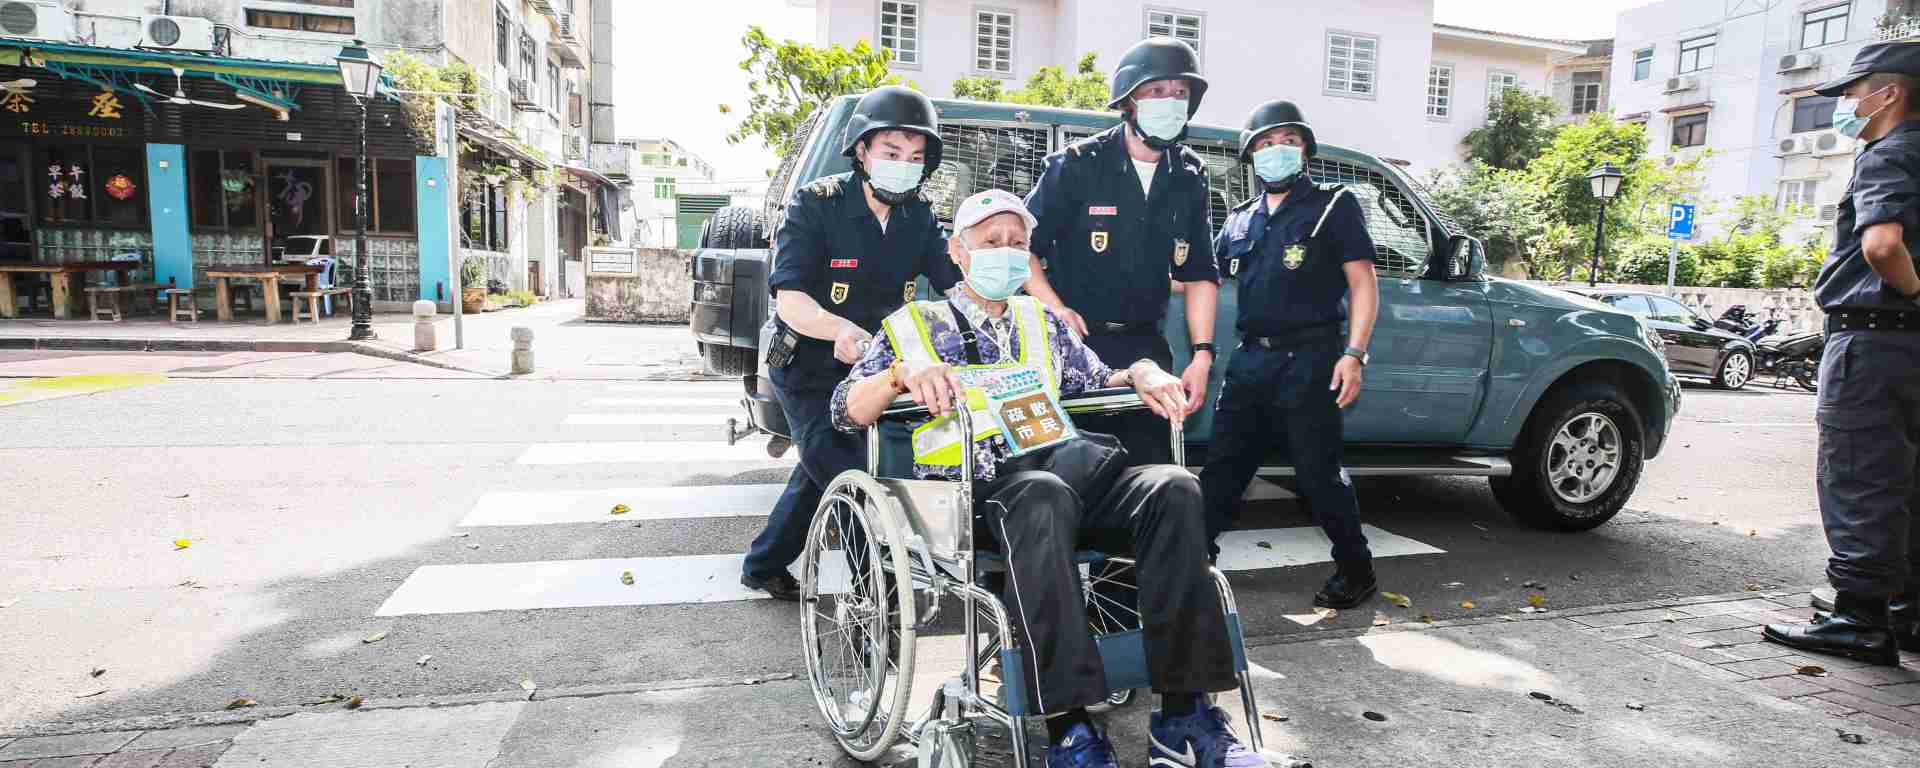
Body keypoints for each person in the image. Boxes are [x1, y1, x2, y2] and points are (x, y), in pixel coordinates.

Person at [833, 190, 1269, 768]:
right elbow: (846, 409)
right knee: (1042, 496)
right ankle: (1071, 727)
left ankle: (1184, 716)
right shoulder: (914, 325)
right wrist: (899, 373)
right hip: (977, 495)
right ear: (958, 251)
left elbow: (1098, 379)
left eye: (1017, 243)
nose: (1006, 252)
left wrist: (1140, 371)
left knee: (1174, 488)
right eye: (991, 242)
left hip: (1065, 474)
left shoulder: (1040, 321)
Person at [740, 86, 957, 601]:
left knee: (819, 469)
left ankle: (763, 563)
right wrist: (837, 329)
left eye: (916, 157)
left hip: (871, 371)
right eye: (891, 152)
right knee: (855, 473)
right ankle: (875, 595)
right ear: (861, 150)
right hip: (807, 366)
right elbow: (790, 298)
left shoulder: (919, 215)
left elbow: (955, 283)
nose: (904, 166)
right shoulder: (817, 205)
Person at [1763, 41, 1920, 666]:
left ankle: (1859, 618)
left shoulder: (1890, 153)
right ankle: (1906, 611)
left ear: (1890, 93)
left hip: (1874, 339)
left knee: (1860, 473)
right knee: (1909, 480)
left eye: (1854, 92)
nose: (1848, 104)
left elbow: (1881, 246)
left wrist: (1914, 290)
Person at [1197, 101, 1381, 610]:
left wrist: (1354, 354)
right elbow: (1200, 278)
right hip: (1250, 361)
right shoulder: (1239, 219)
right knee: (1223, 468)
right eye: (1266, 142)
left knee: (1317, 473)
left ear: (1305, 151)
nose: (1276, 150)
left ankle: (1357, 568)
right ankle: (1195, 563)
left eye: (1288, 141)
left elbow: (1363, 283)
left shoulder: (1333, 205)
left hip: (1311, 358)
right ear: (1250, 154)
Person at [1022, 36, 1222, 467]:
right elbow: (1022, 248)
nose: (1170, 102)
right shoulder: (1077, 165)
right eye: (1157, 91)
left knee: (1153, 473)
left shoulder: (1190, 176)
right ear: (1129, 101)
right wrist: (1056, 309)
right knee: (1074, 470)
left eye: (1180, 93)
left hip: (1145, 345)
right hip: (1076, 345)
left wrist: (1203, 354)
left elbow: (1200, 273)